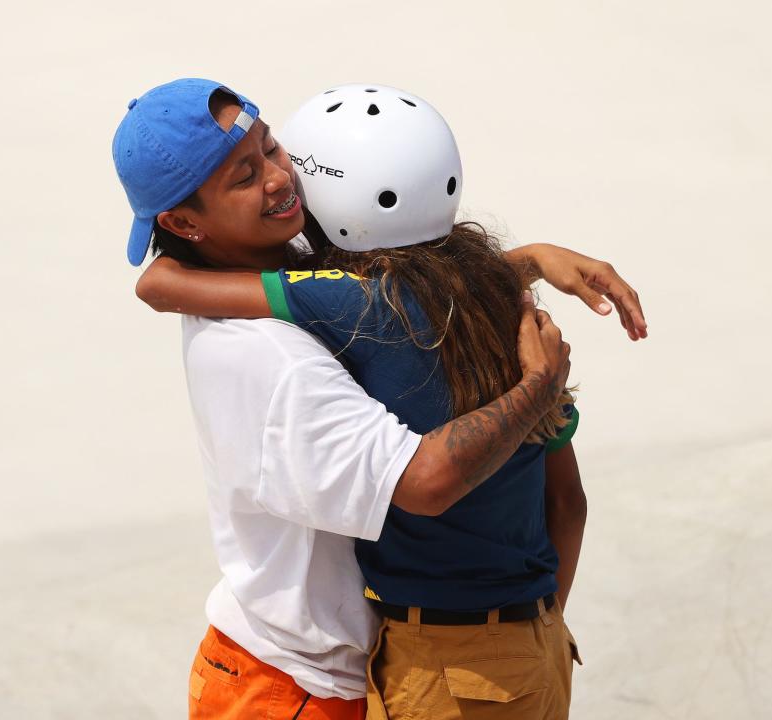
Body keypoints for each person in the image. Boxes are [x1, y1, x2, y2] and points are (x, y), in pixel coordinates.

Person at [113, 78, 645, 719]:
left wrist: (528, 259)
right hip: (296, 691)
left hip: (371, 674)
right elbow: (426, 478)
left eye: (272, 149)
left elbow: (405, 300)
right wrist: (538, 385)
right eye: (243, 177)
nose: (279, 179)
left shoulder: (318, 270)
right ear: (181, 221)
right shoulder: (269, 356)